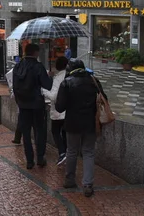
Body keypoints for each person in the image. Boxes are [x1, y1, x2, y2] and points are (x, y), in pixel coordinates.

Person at [55, 59, 107, 198]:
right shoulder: (93, 81)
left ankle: (69, 179)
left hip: (72, 123)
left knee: (71, 151)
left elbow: (59, 107)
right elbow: (104, 99)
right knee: (88, 152)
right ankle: (88, 184)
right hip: (91, 123)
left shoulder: (67, 83)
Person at [12, 43, 53, 169]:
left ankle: (30, 161)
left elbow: (14, 87)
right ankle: (40, 158)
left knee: (26, 134)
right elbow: (48, 85)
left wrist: (20, 102)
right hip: (37, 105)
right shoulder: (38, 67)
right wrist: (50, 76)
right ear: (35, 52)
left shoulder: (17, 67)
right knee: (39, 132)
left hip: (23, 106)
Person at [42, 56, 69, 166]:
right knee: (64, 132)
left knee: (55, 131)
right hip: (68, 111)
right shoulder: (68, 75)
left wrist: (43, 90)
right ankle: (67, 152)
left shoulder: (58, 78)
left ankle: (62, 153)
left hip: (58, 111)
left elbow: (53, 96)